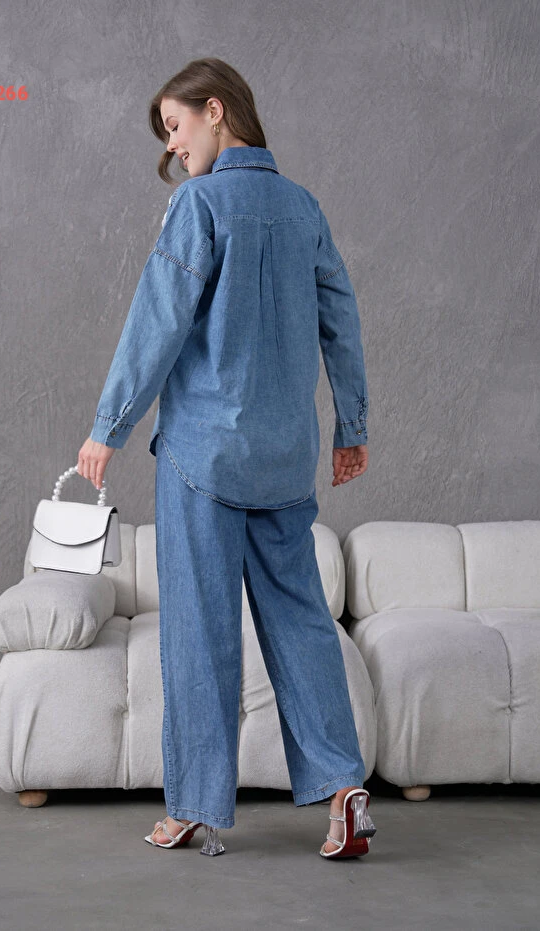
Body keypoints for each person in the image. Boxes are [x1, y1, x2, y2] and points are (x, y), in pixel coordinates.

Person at [77, 57, 376, 859]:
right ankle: (343, 787)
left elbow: (158, 321)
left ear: (216, 110)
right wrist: (351, 425)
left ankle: (195, 806)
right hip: (284, 458)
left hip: (202, 459)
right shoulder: (302, 206)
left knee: (199, 629)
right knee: (302, 621)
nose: (172, 147)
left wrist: (108, 426)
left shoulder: (198, 204)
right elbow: (341, 320)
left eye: (175, 126)